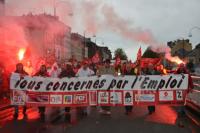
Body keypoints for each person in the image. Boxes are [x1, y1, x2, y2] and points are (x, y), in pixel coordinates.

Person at [174, 63, 194, 127]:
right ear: (179, 67)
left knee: (183, 101)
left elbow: (190, 80)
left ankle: (182, 111)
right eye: (180, 66)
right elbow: (171, 78)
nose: (181, 67)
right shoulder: (176, 73)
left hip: (185, 90)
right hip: (178, 90)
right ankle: (180, 113)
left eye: (182, 66)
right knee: (180, 102)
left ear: (184, 67)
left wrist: (191, 87)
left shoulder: (187, 73)